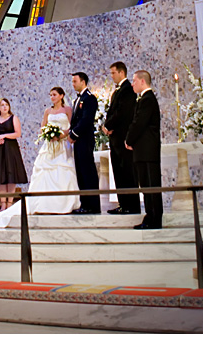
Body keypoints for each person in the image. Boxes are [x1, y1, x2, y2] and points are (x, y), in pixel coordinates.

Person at [0, 87, 80, 229]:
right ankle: (43, 204)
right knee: (44, 172)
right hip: (50, 144)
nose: (52, 97)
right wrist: (48, 133)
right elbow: (43, 126)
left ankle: (65, 203)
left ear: (61, 96)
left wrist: (61, 135)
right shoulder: (48, 111)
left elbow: (72, 126)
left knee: (63, 171)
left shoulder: (67, 110)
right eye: (50, 95)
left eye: (54, 95)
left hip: (62, 144)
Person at [125, 70, 163, 229]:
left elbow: (139, 123)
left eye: (134, 81)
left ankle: (154, 218)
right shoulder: (144, 99)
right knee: (146, 185)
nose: (132, 84)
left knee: (151, 185)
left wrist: (128, 139)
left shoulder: (148, 99)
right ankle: (150, 216)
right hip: (142, 150)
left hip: (147, 150)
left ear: (142, 81)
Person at [102, 61, 141, 216]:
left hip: (123, 138)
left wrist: (109, 125)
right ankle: (123, 203)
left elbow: (122, 113)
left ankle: (131, 205)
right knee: (118, 172)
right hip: (115, 140)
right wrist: (106, 125)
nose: (111, 76)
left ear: (121, 72)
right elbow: (112, 111)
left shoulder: (128, 91)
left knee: (127, 172)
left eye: (113, 73)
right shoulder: (117, 91)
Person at [0, 98, 28, 209]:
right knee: (1, 177)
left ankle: (10, 203)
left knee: (11, 175)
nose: (5, 107)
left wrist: (4, 136)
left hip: (10, 149)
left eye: (6, 105)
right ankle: (3, 203)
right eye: (2, 105)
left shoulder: (13, 118)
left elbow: (17, 133)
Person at [69, 72, 101, 214]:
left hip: (85, 139)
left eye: (75, 81)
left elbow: (86, 119)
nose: (73, 84)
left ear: (83, 82)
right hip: (78, 141)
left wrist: (74, 133)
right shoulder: (78, 99)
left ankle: (92, 205)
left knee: (88, 171)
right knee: (81, 172)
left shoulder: (89, 98)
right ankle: (85, 204)